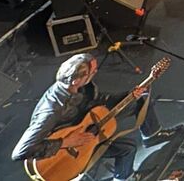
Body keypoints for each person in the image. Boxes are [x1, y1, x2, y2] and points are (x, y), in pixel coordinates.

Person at [12, 53, 168, 181]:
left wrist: (128, 95)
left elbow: (99, 102)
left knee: (140, 99)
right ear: (75, 80)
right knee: (128, 148)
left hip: (88, 125)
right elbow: (21, 151)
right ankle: (126, 178)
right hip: (69, 150)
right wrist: (66, 142)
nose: (96, 73)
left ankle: (152, 135)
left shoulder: (83, 86)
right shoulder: (51, 110)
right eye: (92, 72)